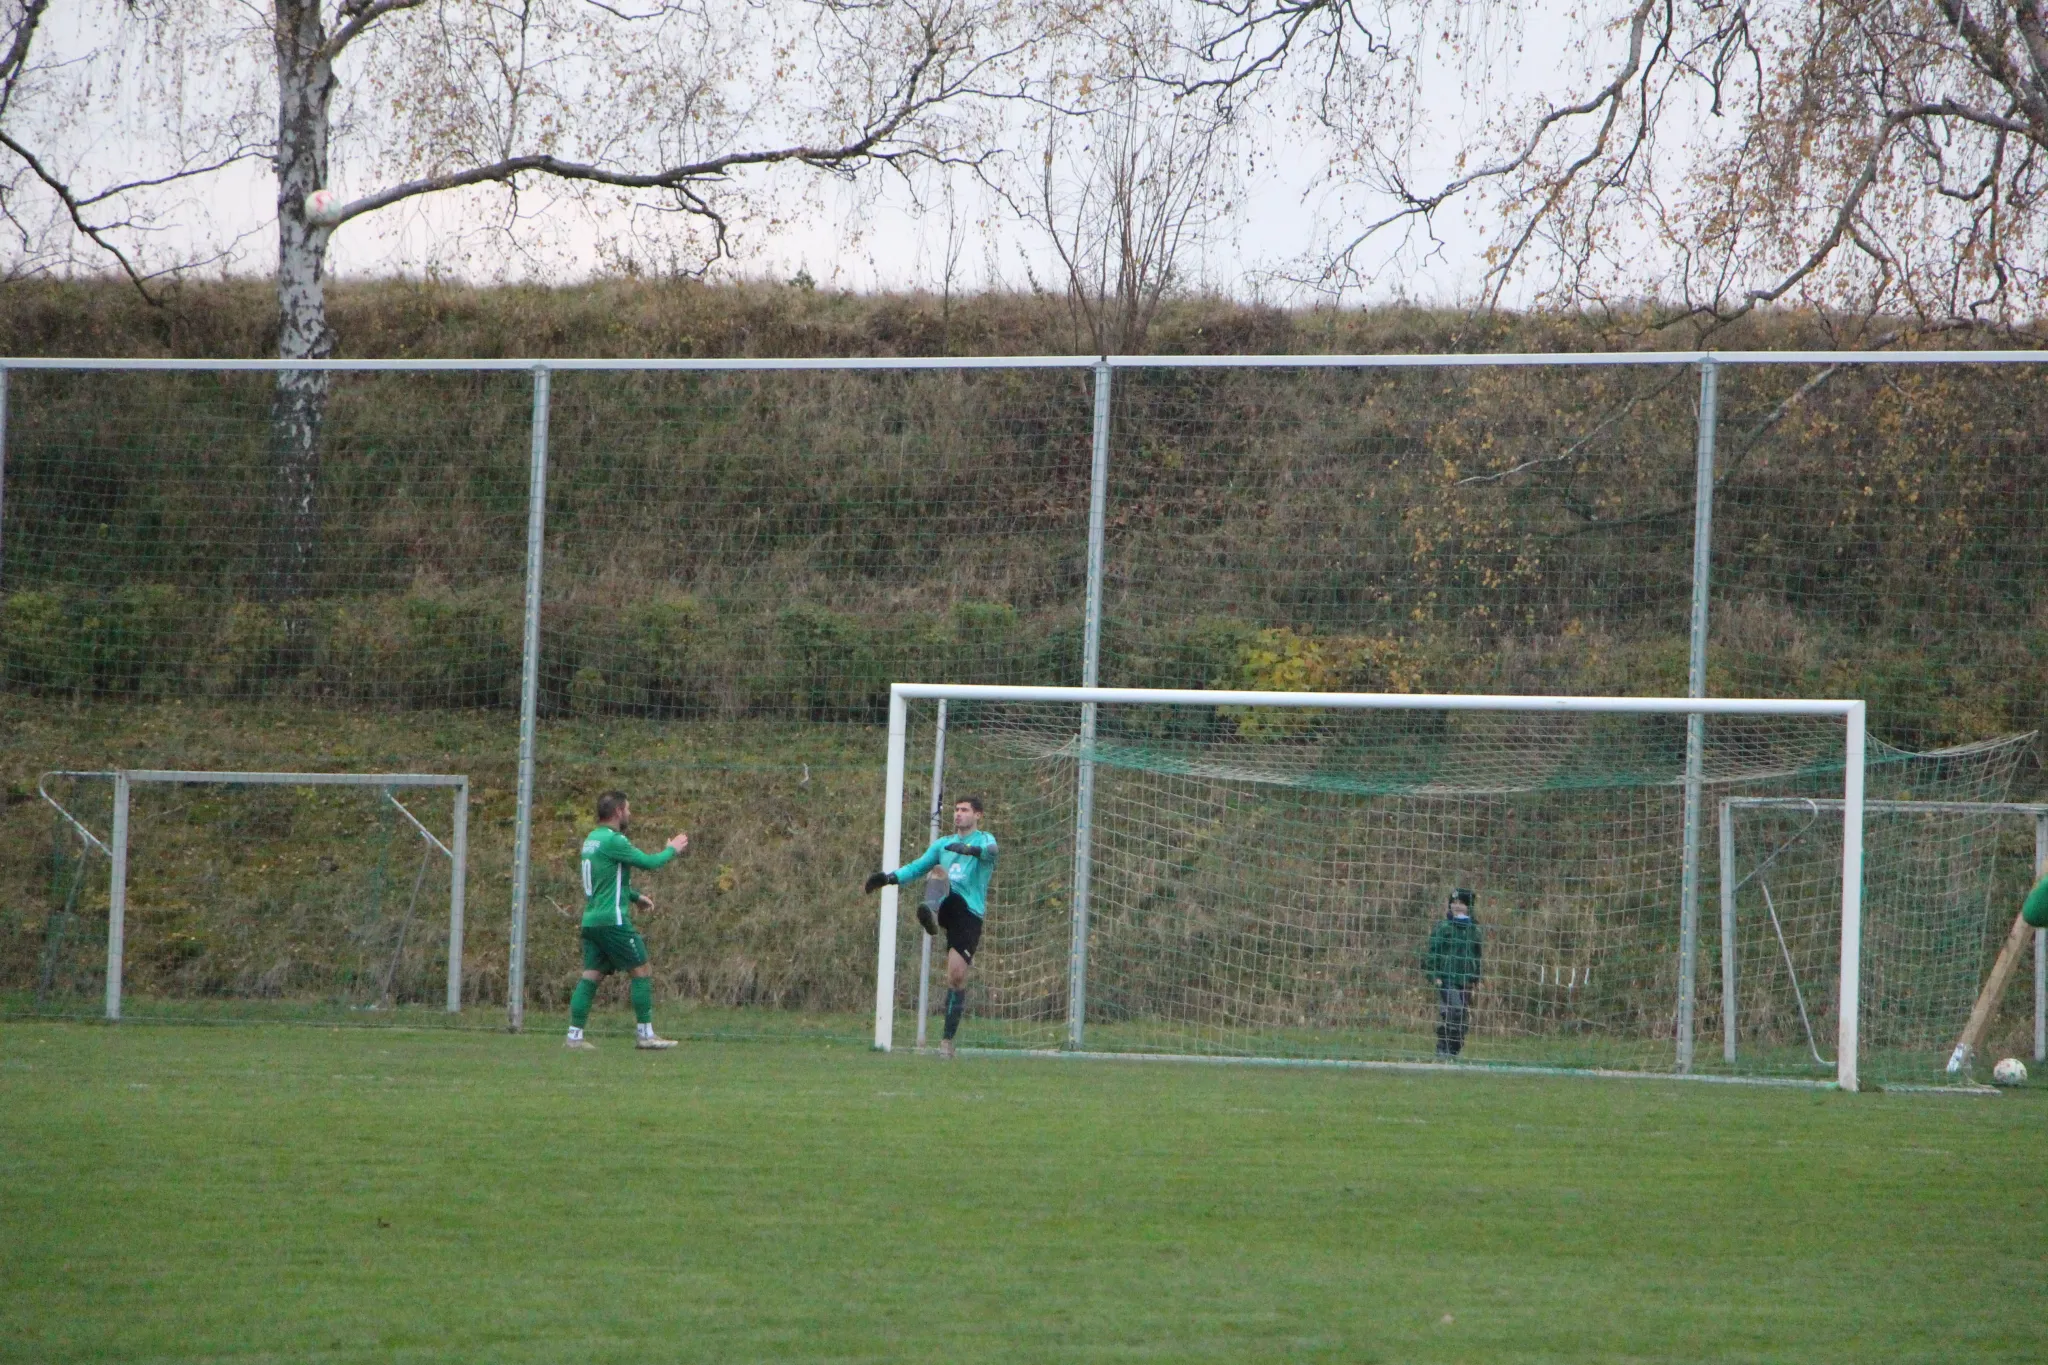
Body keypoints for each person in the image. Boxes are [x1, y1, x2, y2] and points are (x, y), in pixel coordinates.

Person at [865, 796, 998, 1058]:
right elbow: (917, 867)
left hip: (969, 914)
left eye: (965, 810)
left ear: (978, 815)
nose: (958, 814)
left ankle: (947, 1042)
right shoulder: (943, 844)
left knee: (956, 976)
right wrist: (888, 878)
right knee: (937, 871)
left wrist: (969, 850)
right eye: (956, 809)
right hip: (947, 902)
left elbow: (992, 852)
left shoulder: (984, 839)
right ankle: (931, 913)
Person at [566, 790, 689, 1051]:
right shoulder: (615, 840)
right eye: (628, 809)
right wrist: (672, 849)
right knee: (641, 970)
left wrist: (634, 897)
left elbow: (605, 882)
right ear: (618, 811)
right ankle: (645, 1035)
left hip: (592, 920)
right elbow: (649, 862)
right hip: (613, 921)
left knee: (591, 975)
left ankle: (574, 1037)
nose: (630, 814)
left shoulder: (592, 840)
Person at [1423, 887, 1483, 1059]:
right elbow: (1432, 953)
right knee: (1453, 1010)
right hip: (1447, 979)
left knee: (1461, 1015)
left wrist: (1477, 977)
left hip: (1466, 981)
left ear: (1469, 907)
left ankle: (1453, 1050)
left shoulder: (1474, 930)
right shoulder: (1443, 927)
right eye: (1454, 903)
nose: (1457, 906)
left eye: (1461, 903)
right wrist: (1434, 975)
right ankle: (1444, 1048)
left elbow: (1477, 956)